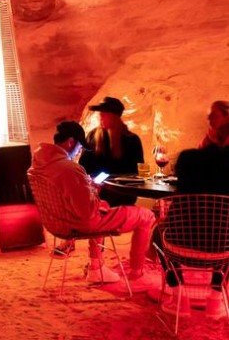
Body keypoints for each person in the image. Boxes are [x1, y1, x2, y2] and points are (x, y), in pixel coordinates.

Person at [28, 120, 156, 288]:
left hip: (56, 222)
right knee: (146, 216)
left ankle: (97, 268)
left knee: (101, 207)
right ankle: (137, 275)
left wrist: (88, 189)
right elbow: (87, 213)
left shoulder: (38, 164)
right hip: (77, 223)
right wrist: (93, 192)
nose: (78, 152)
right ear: (70, 142)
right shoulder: (69, 169)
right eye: (79, 147)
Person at [157, 124, 229, 318]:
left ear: (210, 134)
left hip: (180, 243)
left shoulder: (187, 158)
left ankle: (179, 297)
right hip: (221, 247)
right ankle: (215, 298)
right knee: (225, 234)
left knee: (157, 232)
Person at [79, 96, 143, 207]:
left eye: (104, 114)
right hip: (97, 194)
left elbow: (137, 172)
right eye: (100, 114)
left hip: (123, 195)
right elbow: (83, 166)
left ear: (114, 117)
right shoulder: (92, 136)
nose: (100, 117)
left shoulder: (132, 140)